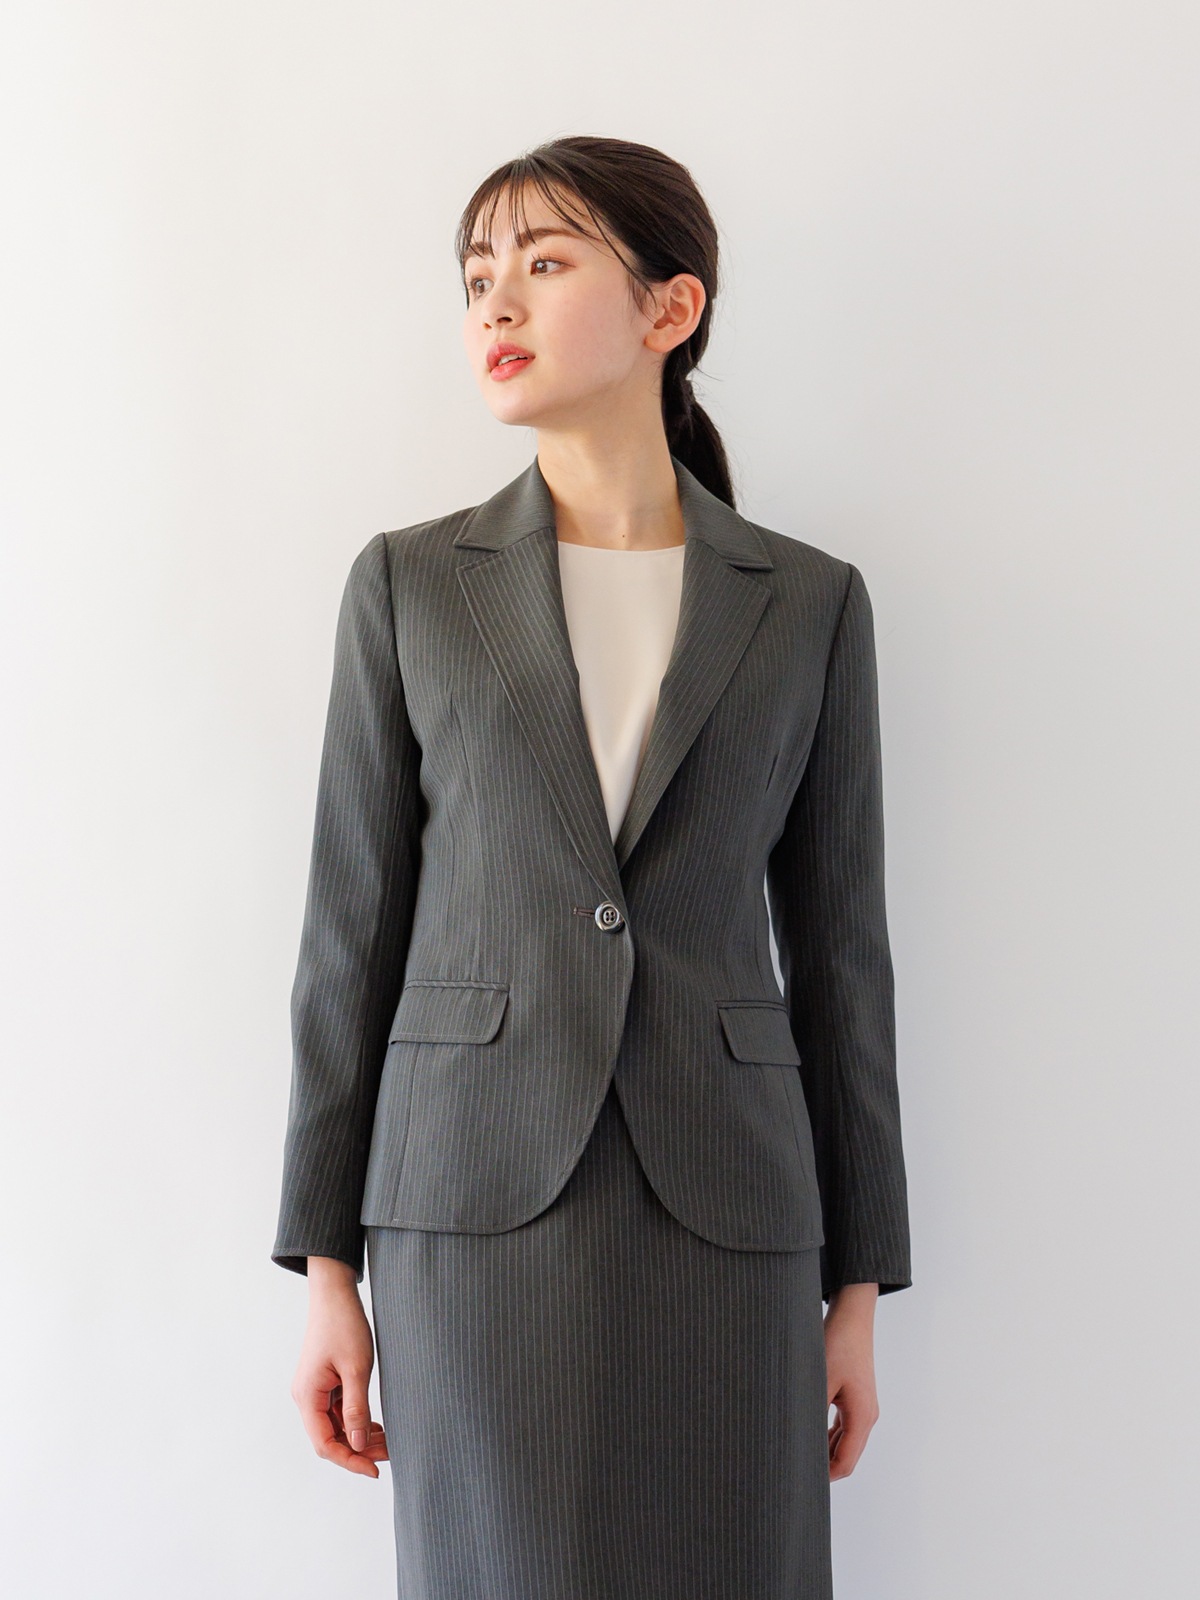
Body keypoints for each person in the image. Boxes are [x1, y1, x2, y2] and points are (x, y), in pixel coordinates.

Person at [271, 134, 912, 1600]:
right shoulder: (409, 585)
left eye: (544, 264)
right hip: (471, 1202)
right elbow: (348, 937)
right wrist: (326, 1270)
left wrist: (860, 1287)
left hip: (733, 1208)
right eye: (476, 276)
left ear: (668, 310)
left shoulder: (808, 603)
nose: (495, 304)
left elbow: (842, 962)